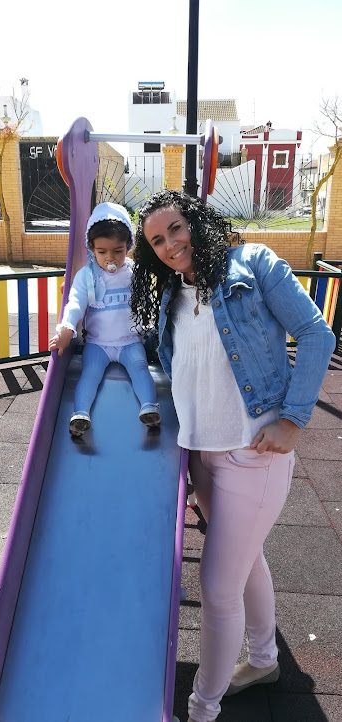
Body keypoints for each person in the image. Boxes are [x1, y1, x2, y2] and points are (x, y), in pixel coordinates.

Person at [130, 189, 335, 722]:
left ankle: (201, 709)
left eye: (176, 229)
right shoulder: (173, 296)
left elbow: (316, 333)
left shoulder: (254, 264)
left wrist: (294, 419)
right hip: (202, 455)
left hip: (254, 453)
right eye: (156, 240)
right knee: (246, 566)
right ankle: (264, 659)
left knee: (217, 589)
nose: (171, 244)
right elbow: (170, 367)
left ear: (196, 220)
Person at [49, 202, 160, 437]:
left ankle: (149, 407)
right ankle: (80, 414)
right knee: (90, 373)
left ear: (127, 246)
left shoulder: (133, 272)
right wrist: (67, 327)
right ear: (91, 249)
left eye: (118, 251)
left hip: (130, 340)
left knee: (140, 369)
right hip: (98, 343)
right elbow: (76, 302)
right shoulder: (87, 276)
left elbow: (148, 298)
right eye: (102, 252)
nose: (110, 258)